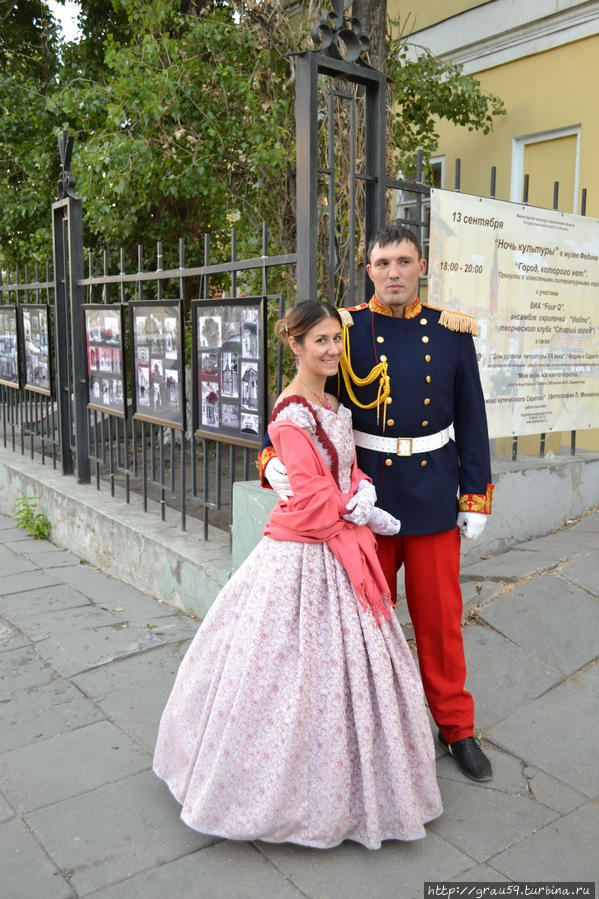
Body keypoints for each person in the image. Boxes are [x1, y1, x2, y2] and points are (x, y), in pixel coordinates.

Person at [154, 300, 442, 849]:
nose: (333, 350)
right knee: (289, 671)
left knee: (345, 670)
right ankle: (281, 794)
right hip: (308, 551)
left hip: (337, 539)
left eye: (337, 339)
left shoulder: (331, 401)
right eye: (321, 341)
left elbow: (342, 466)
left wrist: (359, 487)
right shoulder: (291, 414)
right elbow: (308, 500)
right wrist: (353, 509)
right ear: (295, 344)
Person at [259, 226, 494, 782]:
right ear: (369, 270)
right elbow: (300, 397)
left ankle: (457, 727)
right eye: (383, 262)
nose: (393, 272)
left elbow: (473, 418)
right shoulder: (345, 330)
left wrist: (476, 493)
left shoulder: (452, 333)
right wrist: (270, 455)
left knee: (441, 622)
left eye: (404, 261)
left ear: (422, 266)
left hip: (435, 492)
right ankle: (372, 729)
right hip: (365, 501)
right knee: (366, 623)